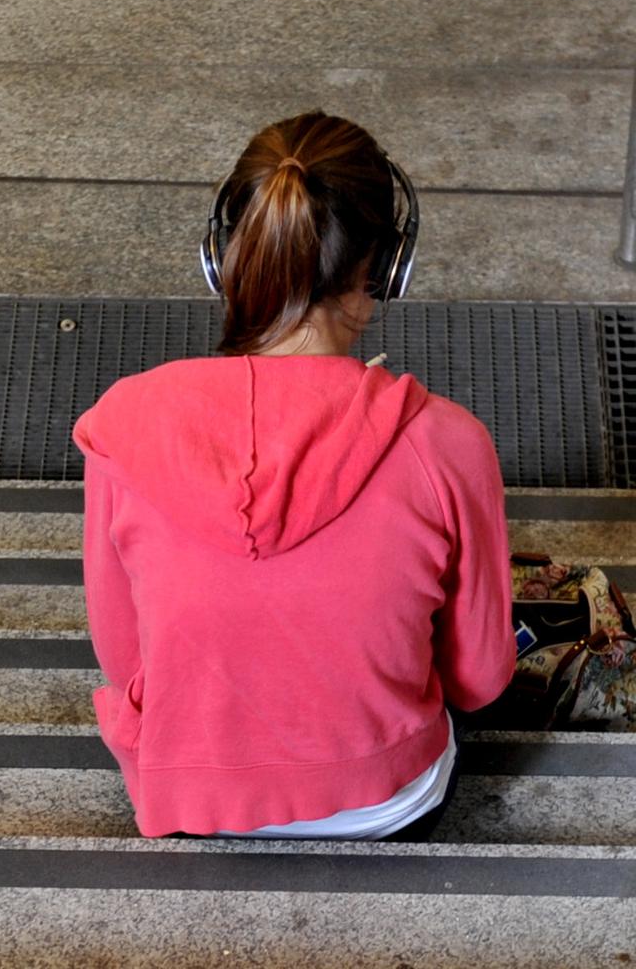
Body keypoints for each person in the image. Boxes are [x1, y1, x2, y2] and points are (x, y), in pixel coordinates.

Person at [70, 111, 516, 839]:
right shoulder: (447, 442)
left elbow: (125, 660)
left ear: (222, 256)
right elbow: (480, 678)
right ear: (385, 269)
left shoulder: (122, 423)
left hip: (193, 801)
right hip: (385, 801)